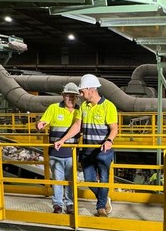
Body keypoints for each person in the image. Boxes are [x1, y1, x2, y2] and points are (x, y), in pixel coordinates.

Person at [55, 74, 118, 217]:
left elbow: (114, 128)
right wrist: (63, 140)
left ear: (91, 90)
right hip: (88, 150)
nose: (80, 95)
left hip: (103, 151)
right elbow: (77, 126)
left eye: (82, 91)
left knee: (103, 179)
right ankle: (103, 199)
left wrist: (109, 141)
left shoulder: (109, 106)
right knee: (89, 180)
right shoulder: (84, 106)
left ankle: (100, 207)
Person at [36, 82, 80, 214]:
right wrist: (40, 124)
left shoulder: (80, 111)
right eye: (68, 96)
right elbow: (42, 121)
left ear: (77, 97)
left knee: (71, 180)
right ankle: (57, 204)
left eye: (73, 96)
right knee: (57, 180)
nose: (70, 99)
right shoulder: (53, 108)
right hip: (56, 152)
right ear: (62, 96)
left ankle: (70, 203)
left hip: (72, 153)